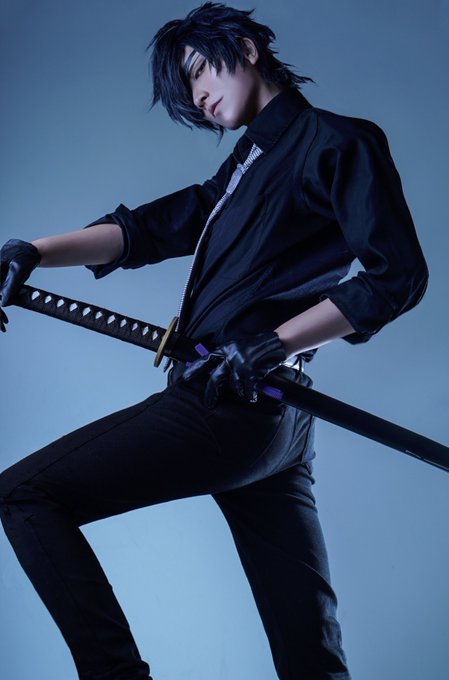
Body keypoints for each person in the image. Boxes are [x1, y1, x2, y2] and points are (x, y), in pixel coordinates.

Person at [0, 3, 429, 679]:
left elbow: (395, 276)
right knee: (310, 653)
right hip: (269, 417)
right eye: (187, 87)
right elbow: (154, 227)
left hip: (236, 406)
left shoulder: (338, 142)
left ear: (247, 48)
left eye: (200, 69)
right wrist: (33, 251)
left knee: (24, 495)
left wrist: (272, 343)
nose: (197, 94)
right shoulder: (245, 166)